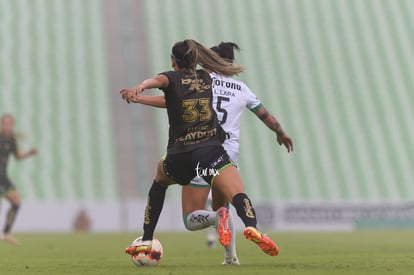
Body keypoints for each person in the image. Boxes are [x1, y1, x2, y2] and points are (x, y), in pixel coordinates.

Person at [132, 42, 293, 265]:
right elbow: (267, 116)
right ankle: (240, 244)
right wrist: (281, 133)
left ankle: (148, 238)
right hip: (222, 155)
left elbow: (172, 100)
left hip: (189, 149)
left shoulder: (200, 79)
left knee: (188, 214)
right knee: (230, 201)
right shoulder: (241, 89)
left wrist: (140, 96)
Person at [0, 114, 37, 245]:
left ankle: (6, 232)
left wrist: (29, 153)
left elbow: (17, 156)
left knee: (16, 202)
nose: (7, 126)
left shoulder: (11, 140)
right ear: (1, 125)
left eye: (10, 123)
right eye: (5, 123)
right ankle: (6, 233)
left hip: (3, 177)